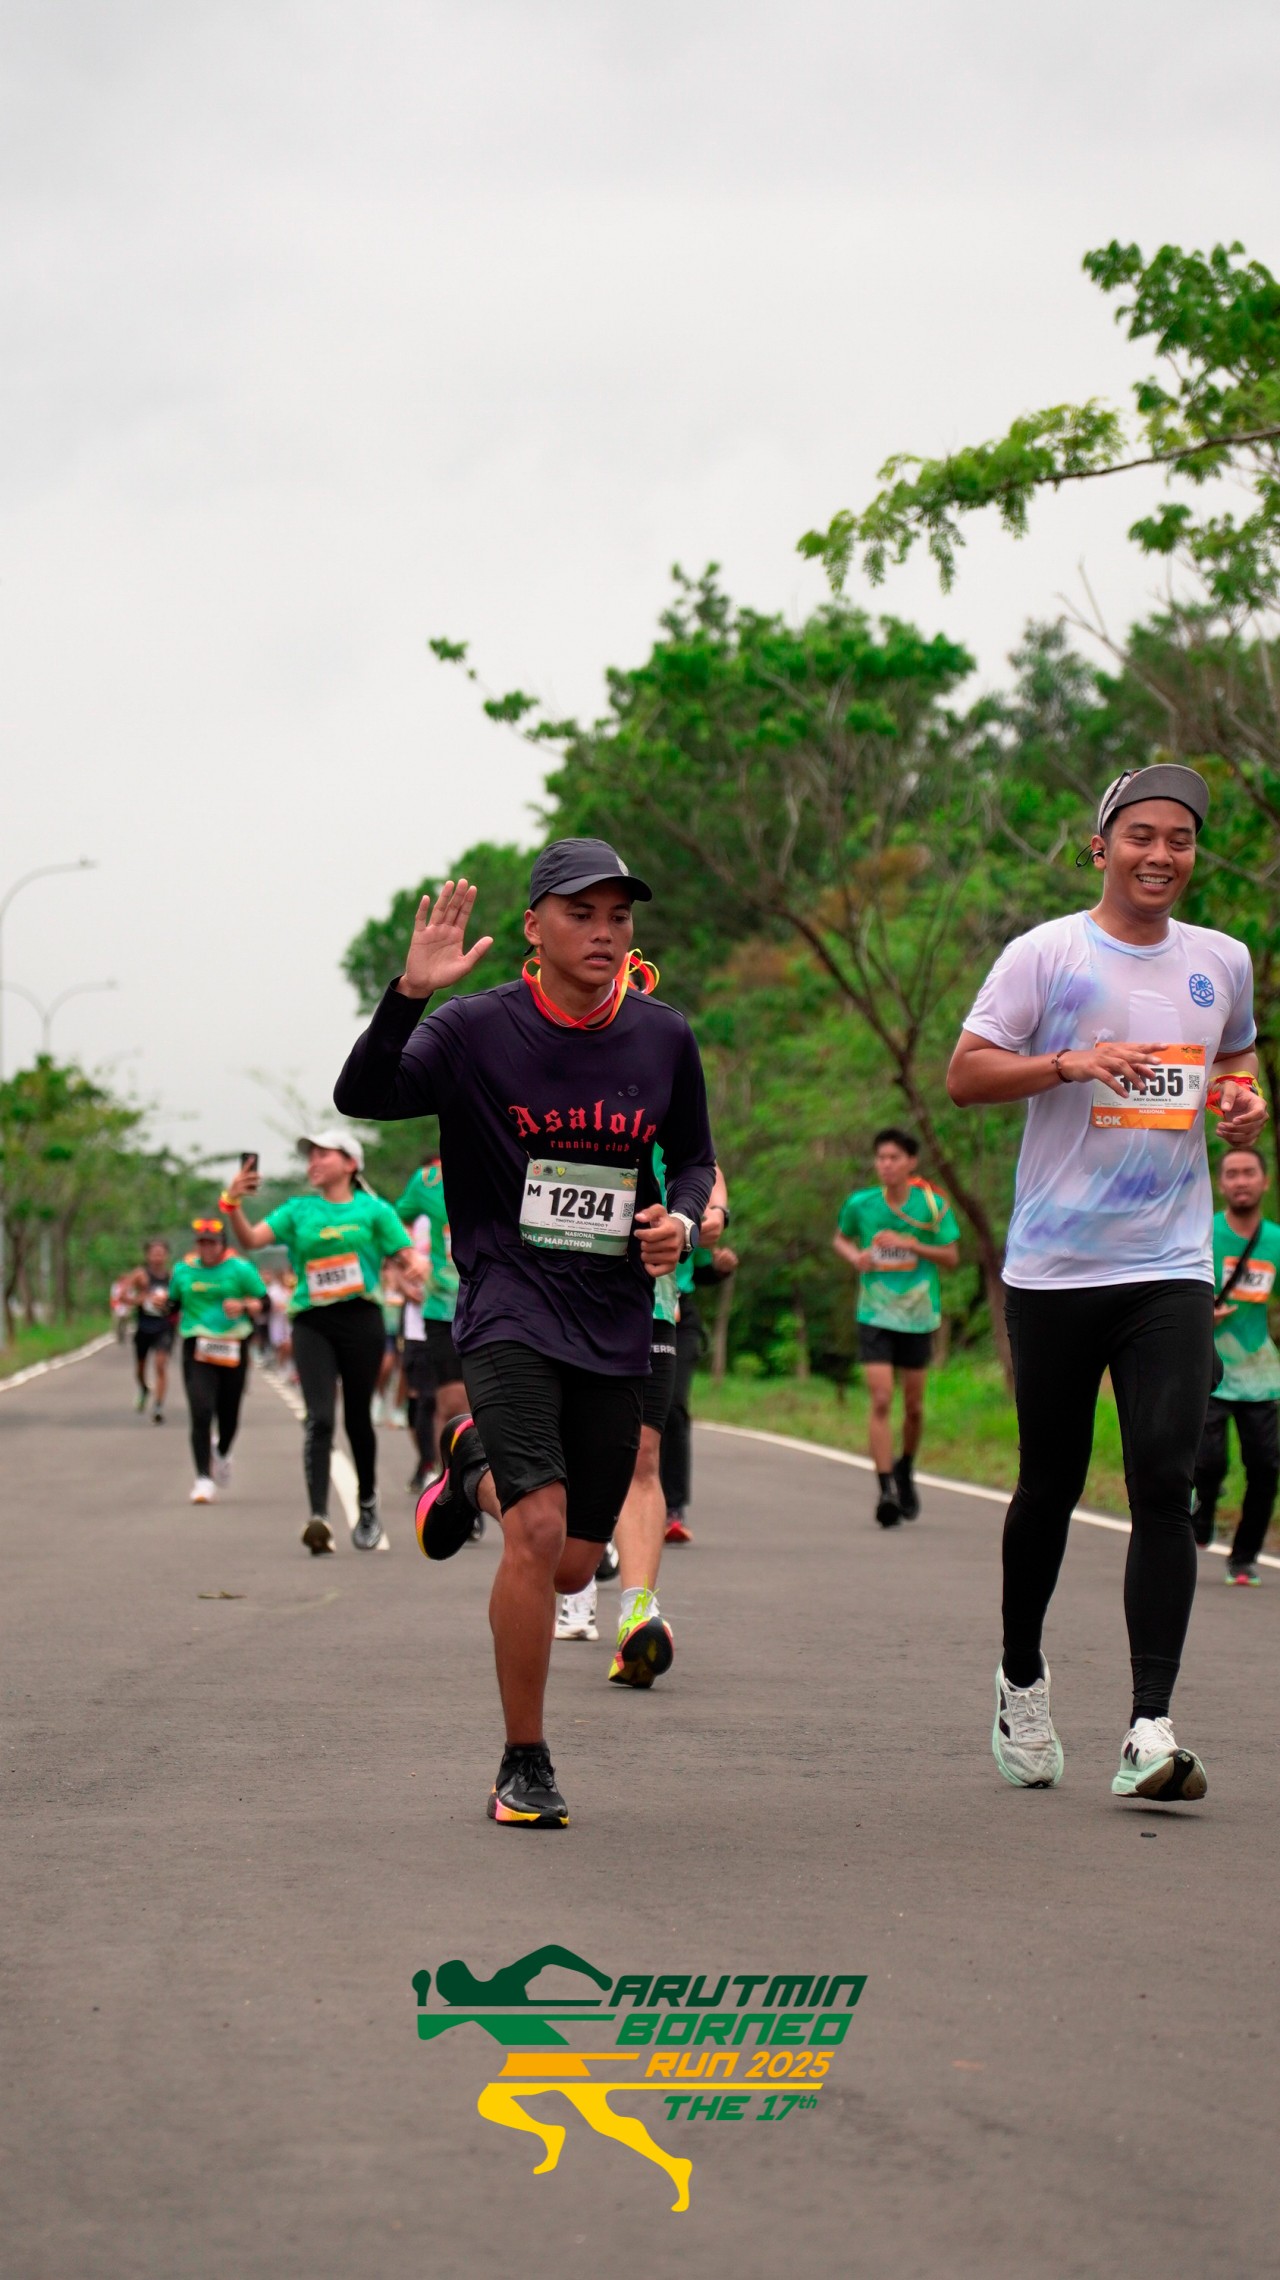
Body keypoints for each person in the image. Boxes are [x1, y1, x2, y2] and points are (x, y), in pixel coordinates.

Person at [333, 841, 716, 1829]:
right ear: (535, 926)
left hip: (612, 1315)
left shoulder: (662, 1037)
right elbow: (363, 1096)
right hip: (506, 1303)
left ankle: (468, 1468)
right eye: (581, 913)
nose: (604, 933)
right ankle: (524, 1759)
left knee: (576, 1563)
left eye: (619, 917)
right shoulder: (473, 1029)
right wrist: (409, 994)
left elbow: (694, 1161)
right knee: (536, 1529)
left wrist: (678, 1221)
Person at [948, 763, 1268, 1804]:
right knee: (1048, 1482)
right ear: (1101, 848)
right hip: (1054, 1268)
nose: (1161, 854)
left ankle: (1148, 1727)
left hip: (1167, 1264)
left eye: (1179, 838)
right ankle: (1020, 1675)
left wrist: (1241, 1106)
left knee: (1165, 1480)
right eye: (1140, 835)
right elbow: (964, 1075)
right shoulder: (1046, 955)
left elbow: (1234, 1069)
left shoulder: (1221, 960)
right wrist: (1068, 1064)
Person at [556, 1161, 732, 1664]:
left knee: (643, 1455)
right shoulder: (559, 1116)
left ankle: (637, 1615)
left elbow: (704, 1164)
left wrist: (715, 1212)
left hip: (652, 1304)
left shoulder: (663, 1116)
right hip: (564, 1301)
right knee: (572, 1451)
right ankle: (577, 1590)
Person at [218, 1134, 426, 1555]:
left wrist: (416, 1262)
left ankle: (367, 1505)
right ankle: (319, 1517)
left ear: (350, 1163)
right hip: (312, 1322)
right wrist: (232, 1203)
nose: (313, 1161)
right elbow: (252, 1240)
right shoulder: (298, 1210)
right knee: (320, 1418)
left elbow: (406, 1253)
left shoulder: (374, 1210)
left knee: (356, 1419)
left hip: (361, 1320)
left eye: (322, 1154)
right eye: (310, 1156)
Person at [833, 1129, 960, 1526]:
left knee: (914, 1407)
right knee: (882, 1398)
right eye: (881, 1158)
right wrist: (855, 1257)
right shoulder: (861, 1203)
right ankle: (886, 1487)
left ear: (911, 1163)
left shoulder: (931, 1205)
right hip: (874, 1314)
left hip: (918, 1315)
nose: (886, 1164)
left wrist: (911, 1245)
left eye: (894, 1158)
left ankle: (905, 1467)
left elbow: (952, 1256)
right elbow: (841, 1239)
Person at [1192, 1146, 1280, 1584]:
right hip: (1209, 1369)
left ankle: (1244, 1558)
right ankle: (1204, 1509)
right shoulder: (1202, 1234)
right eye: (1232, 1174)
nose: (1241, 1181)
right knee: (1208, 1464)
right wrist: (1199, 1313)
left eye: (1249, 1173)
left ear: (1265, 1182)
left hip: (1261, 1375)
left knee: (1266, 1468)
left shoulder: (1276, 1241)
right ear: (1220, 1184)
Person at [170, 1217, 267, 1502]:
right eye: (202, 1243)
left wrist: (244, 1305)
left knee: (229, 1413)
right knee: (201, 1410)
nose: (207, 1249)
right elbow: (174, 1305)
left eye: (212, 1243)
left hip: (233, 1346)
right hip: (197, 1346)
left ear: (222, 1244)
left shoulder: (240, 1269)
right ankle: (203, 1478)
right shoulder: (183, 1270)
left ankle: (222, 1451)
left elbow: (265, 1302)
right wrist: (162, 1302)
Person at [660, 1197, 737, 1544]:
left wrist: (720, 1267)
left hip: (678, 1316)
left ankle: (673, 1508)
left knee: (673, 1406)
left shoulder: (688, 1197)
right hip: (624, 1308)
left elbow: (698, 1269)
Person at [395, 1153, 468, 1496]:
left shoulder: (516, 1160)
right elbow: (390, 1224)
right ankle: (455, 1489)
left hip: (503, 1309)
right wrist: (408, 1264)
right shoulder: (428, 1182)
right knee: (449, 1404)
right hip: (442, 1310)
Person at [124, 1241, 175, 1421]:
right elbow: (122, 1295)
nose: (157, 1257)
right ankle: (144, 1387)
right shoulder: (140, 1275)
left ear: (166, 1256)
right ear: (148, 1256)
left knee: (160, 1364)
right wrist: (140, 1299)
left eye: (161, 1253)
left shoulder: (172, 1276)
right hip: (144, 1326)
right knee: (140, 1368)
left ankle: (158, 1406)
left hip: (164, 1326)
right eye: (154, 1253)